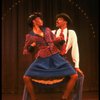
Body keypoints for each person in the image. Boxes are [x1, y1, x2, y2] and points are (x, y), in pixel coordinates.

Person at [22, 12, 78, 100]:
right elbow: (25, 52)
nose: (41, 20)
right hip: (42, 59)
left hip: (56, 56)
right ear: (34, 21)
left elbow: (54, 40)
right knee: (26, 77)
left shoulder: (47, 30)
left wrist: (60, 40)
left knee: (74, 75)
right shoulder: (30, 36)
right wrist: (31, 47)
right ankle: (33, 98)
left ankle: (64, 97)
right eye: (39, 19)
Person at [52, 13, 84, 100]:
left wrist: (76, 65)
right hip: (53, 58)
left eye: (59, 19)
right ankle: (65, 97)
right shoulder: (52, 32)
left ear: (65, 22)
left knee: (80, 76)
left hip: (63, 59)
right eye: (57, 19)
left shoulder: (71, 33)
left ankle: (73, 98)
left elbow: (75, 48)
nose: (57, 21)